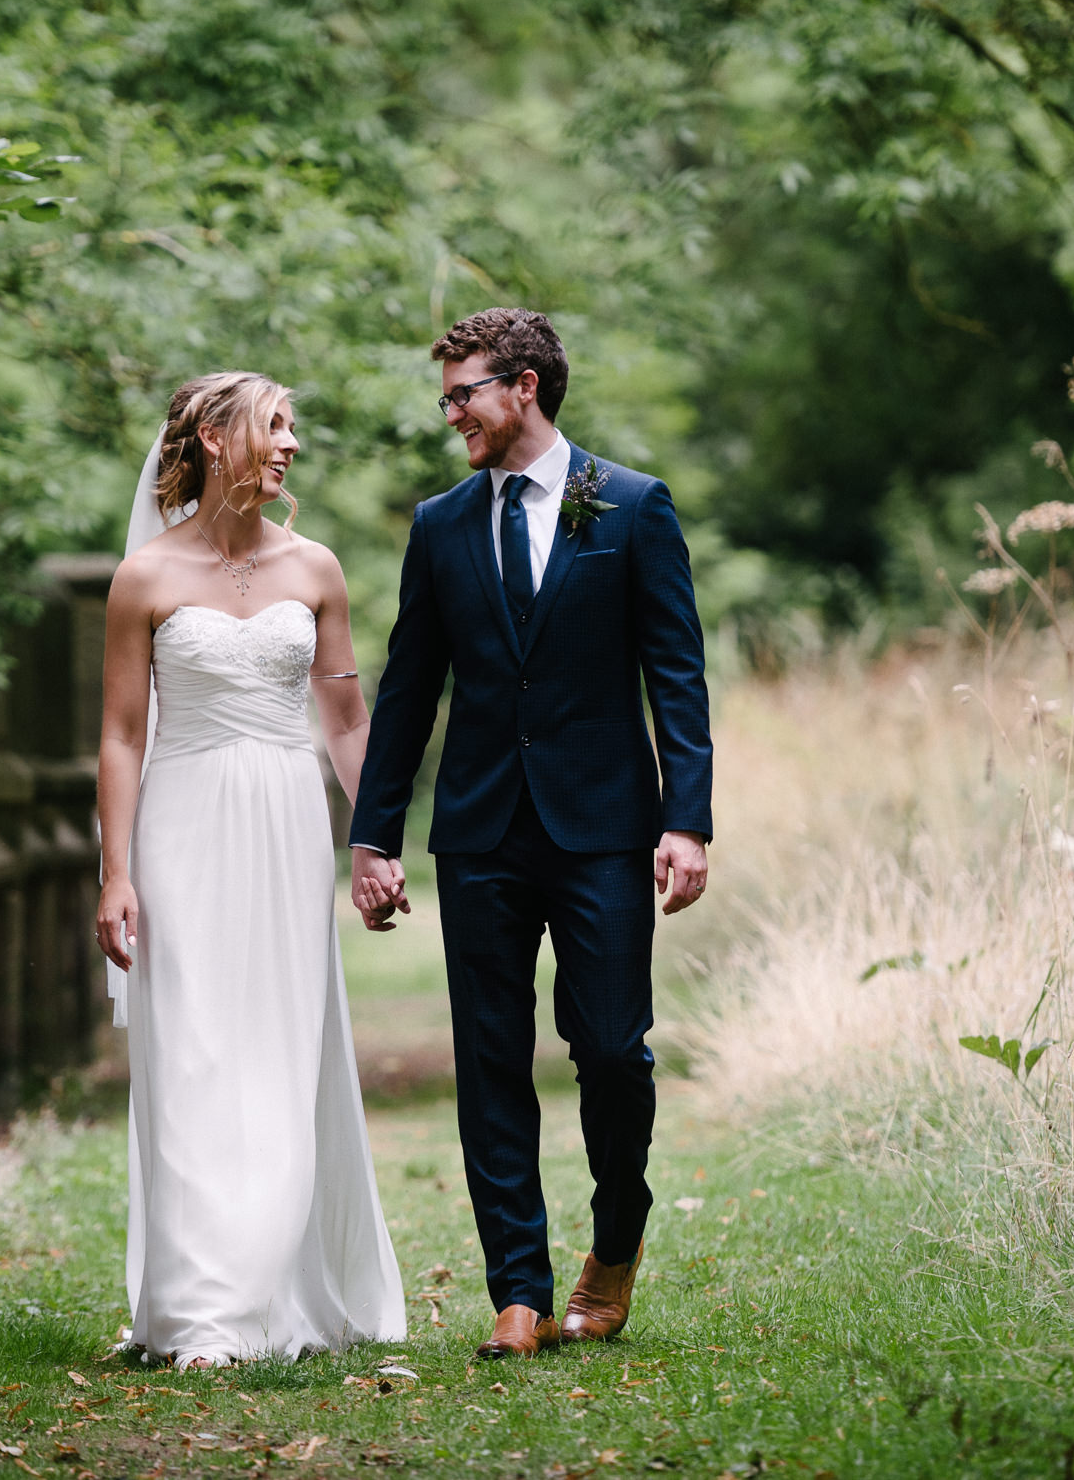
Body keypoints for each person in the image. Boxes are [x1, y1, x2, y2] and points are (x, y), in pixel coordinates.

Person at [349, 309, 714, 1360]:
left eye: (462, 393)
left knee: (610, 1049)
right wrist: (376, 838)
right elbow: (409, 688)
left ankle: (617, 1237)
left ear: (522, 387)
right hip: (478, 832)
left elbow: (675, 674)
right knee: (490, 1058)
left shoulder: (632, 507)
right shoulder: (441, 523)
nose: (451, 414)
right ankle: (519, 1288)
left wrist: (684, 819)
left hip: (602, 825)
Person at [93, 371, 406, 1369]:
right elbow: (121, 738)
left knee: (277, 1050)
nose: (291, 446)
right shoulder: (143, 578)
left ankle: (269, 1287)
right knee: (189, 1050)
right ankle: (201, 1316)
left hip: (282, 821)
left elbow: (347, 722)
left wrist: (376, 838)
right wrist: (115, 871)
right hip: (179, 824)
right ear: (216, 439)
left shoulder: (315, 568)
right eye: (275, 426)